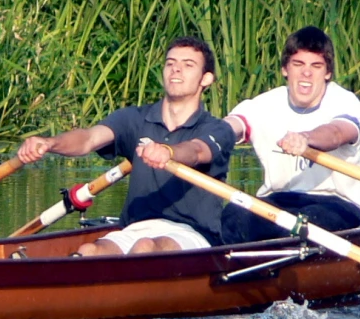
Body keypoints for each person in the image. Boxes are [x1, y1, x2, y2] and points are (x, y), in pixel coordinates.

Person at [16, 36, 235, 256]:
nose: (176, 70)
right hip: (135, 228)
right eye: (170, 63)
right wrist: (49, 142)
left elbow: (197, 151)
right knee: (89, 250)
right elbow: (88, 139)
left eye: (188, 65)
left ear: (206, 79)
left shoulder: (218, 129)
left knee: (145, 248)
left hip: (193, 233)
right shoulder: (134, 119)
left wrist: (169, 152)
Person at [220, 26, 360, 245]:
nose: (306, 73)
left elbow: (337, 132)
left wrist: (306, 139)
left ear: (328, 73)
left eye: (316, 66)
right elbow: (227, 128)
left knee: (306, 224)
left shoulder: (345, 102)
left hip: (338, 203)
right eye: (298, 64)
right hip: (279, 199)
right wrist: (202, 139)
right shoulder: (261, 105)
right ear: (285, 69)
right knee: (233, 215)